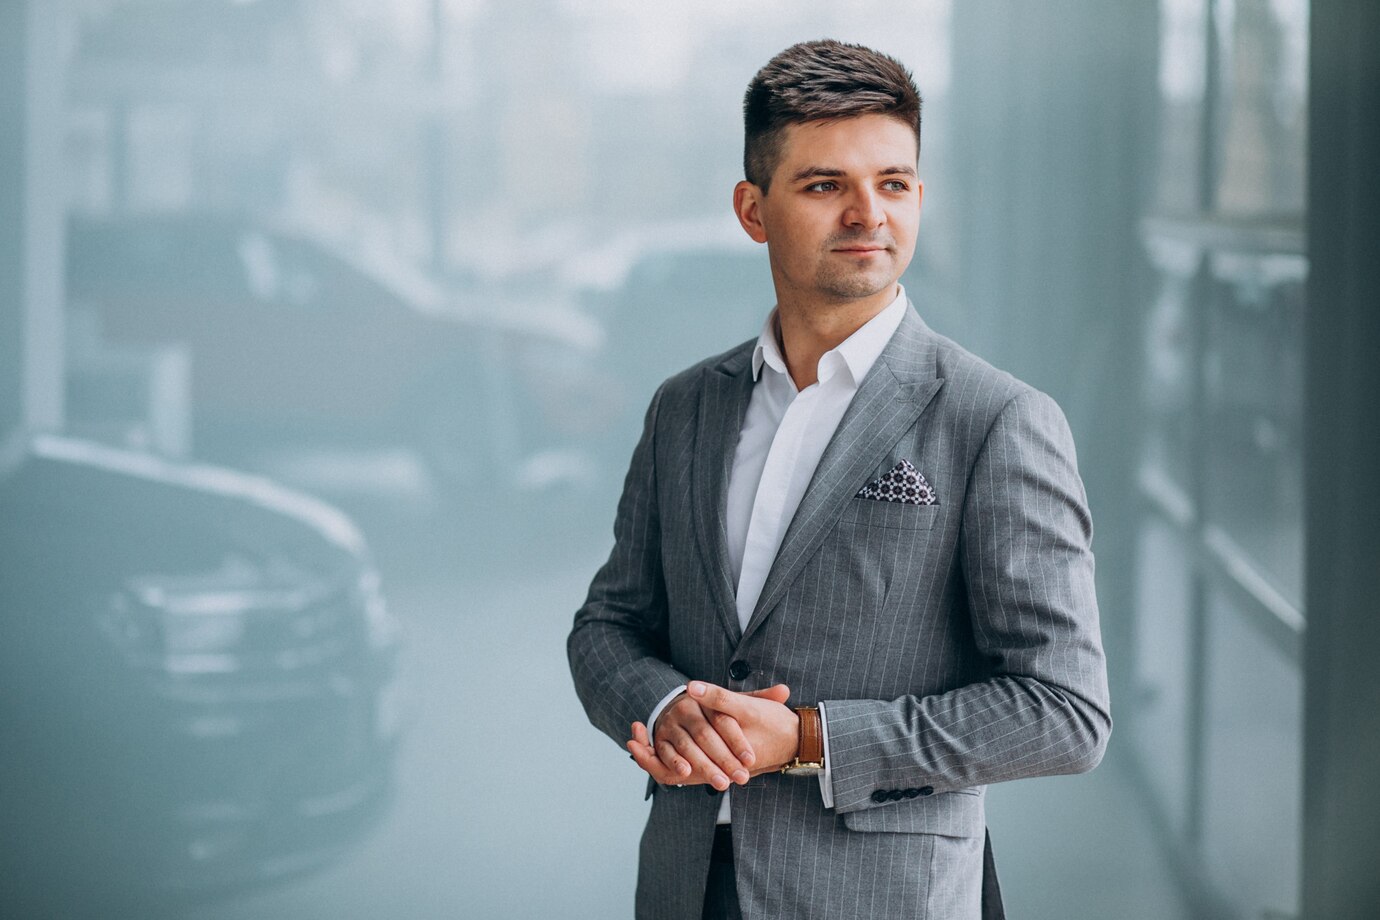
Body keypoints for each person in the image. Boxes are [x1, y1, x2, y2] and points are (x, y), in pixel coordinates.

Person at [568, 38, 1109, 920]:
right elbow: (609, 624)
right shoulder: (685, 409)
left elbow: (1064, 709)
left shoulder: (997, 420)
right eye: (825, 185)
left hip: (885, 897)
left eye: (893, 183)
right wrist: (664, 706)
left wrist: (812, 741)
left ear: (920, 198)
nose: (869, 213)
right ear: (753, 209)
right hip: (686, 883)